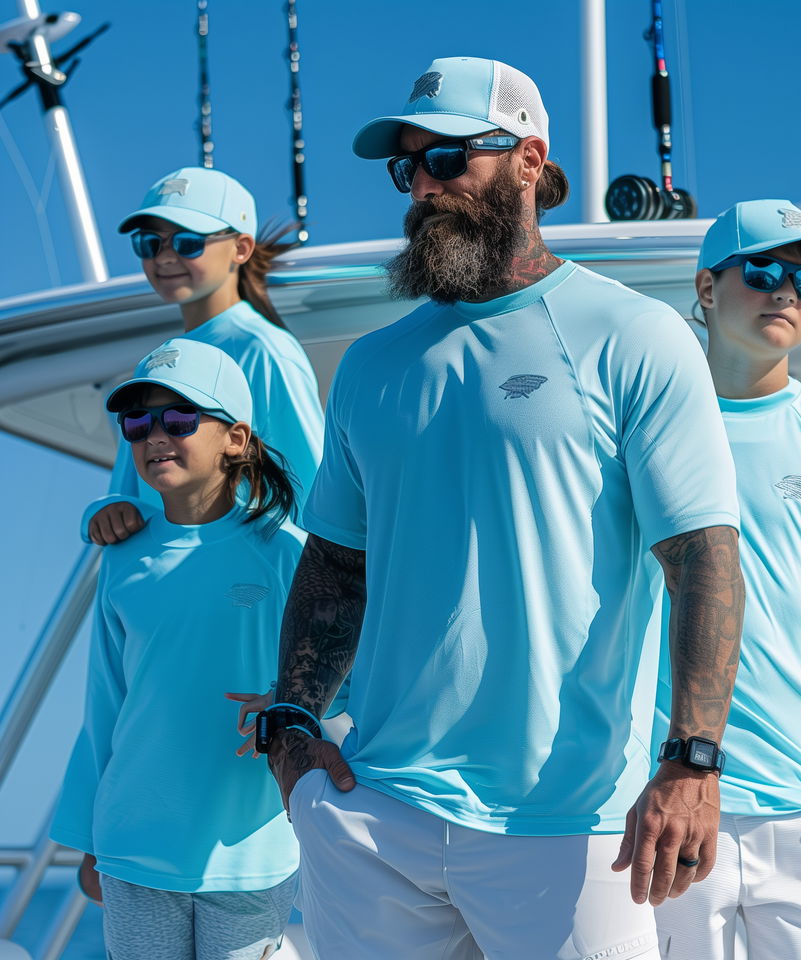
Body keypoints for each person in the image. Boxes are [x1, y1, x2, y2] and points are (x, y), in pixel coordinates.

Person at [260, 57, 745, 960]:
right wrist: (291, 730)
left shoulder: (634, 335)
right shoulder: (371, 365)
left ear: (528, 159)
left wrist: (692, 761)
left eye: (449, 158)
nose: (424, 186)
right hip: (376, 810)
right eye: (408, 166)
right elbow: (335, 563)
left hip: (568, 824)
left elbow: (703, 556)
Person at [652, 200, 801, 959]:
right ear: (706, 287)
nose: (787, 292)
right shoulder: (649, 426)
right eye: (762, 271)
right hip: (673, 791)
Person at [51, 339, 304, 960]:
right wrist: (87, 838)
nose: (155, 435)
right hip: (132, 844)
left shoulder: (286, 552)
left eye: (180, 418)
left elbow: (350, 671)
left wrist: (291, 699)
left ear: (235, 439)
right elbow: (105, 704)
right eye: (137, 423)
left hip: (249, 849)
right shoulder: (122, 557)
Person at [83, 166, 324, 547]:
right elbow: (128, 492)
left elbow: (316, 495)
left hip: (247, 578)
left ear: (241, 248)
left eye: (187, 242)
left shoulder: (263, 349)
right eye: (150, 243)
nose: (164, 257)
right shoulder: (157, 364)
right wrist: (108, 510)